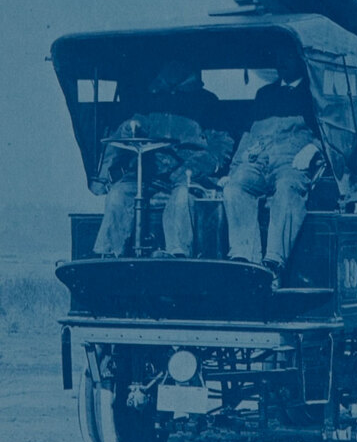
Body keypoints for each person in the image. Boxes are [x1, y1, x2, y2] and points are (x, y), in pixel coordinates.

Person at [90, 60, 230, 257]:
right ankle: (108, 255)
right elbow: (121, 138)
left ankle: (177, 254)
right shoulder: (146, 102)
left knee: (182, 198)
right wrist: (130, 131)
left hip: (189, 175)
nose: (172, 66)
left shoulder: (208, 102)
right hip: (147, 173)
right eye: (167, 61)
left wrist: (195, 167)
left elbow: (221, 146)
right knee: (118, 194)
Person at [222, 54, 324, 282]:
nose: (282, 60)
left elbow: (331, 133)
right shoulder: (264, 94)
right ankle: (245, 260)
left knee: (288, 188)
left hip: (291, 160)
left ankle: (274, 264)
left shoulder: (314, 94)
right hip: (259, 161)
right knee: (235, 188)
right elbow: (249, 134)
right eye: (279, 55)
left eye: (287, 55)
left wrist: (312, 149)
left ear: (300, 59)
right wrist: (233, 171)